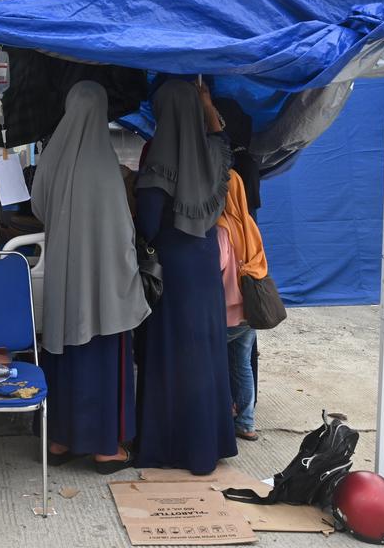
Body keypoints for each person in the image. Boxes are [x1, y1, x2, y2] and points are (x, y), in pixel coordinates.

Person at [31, 81, 149, 474]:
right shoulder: (104, 163)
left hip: (65, 280)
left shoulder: (52, 156)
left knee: (61, 354)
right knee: (104, 360)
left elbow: (39, 207)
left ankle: (60, 441)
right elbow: (122, 233)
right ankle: (104, 449)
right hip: (101, 289)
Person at [133, 78, 237, 475]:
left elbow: (149, 221)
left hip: (173, 269)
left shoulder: (160, 158)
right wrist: (206, 101)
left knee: (171, 354)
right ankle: (206, 448)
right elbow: (220, 135)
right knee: (205, 354)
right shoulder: (214, 153)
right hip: (204, 264)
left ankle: (166, 446)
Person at [217, 169, 267, 441]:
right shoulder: (249, 223)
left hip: (226, 311)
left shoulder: (221, 228)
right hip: (251, 309)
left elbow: (216, 266)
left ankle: (224, 418)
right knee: (243, 366)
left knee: (219, 366)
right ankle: (246, 423)